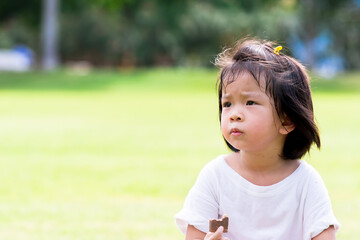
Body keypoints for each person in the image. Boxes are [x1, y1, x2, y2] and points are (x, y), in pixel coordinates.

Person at [174, 38, 340, 240]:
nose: (234, 114)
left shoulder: (305, 183)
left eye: (250, 102)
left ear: (286, 121)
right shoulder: (215, 177)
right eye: (227, 104)